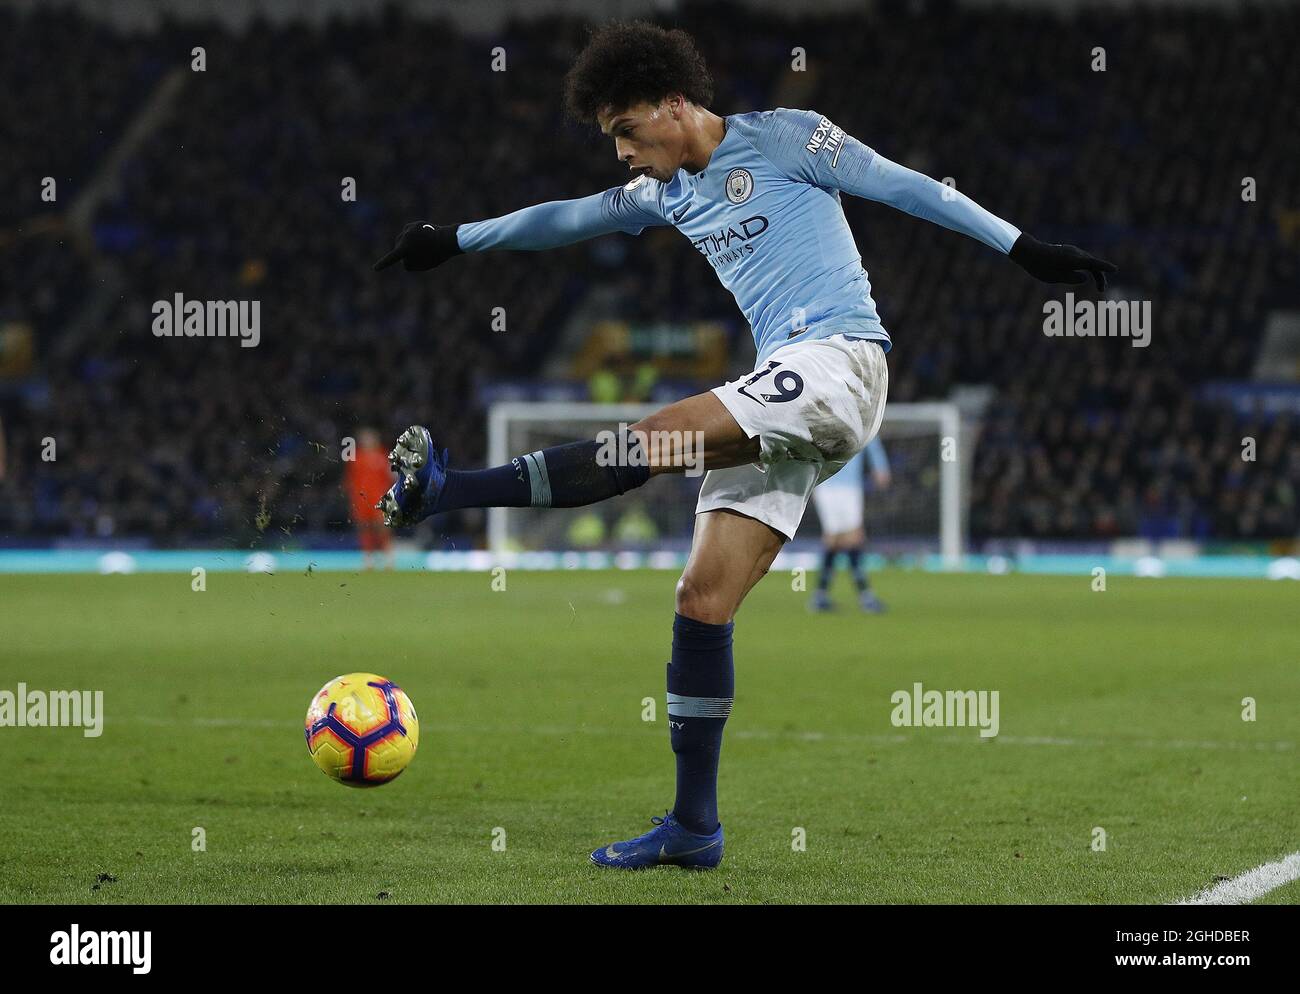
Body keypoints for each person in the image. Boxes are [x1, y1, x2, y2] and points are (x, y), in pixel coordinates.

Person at [371, 21, 1114, 869]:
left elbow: (911, 189)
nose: (620, 153)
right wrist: (456, 239)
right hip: (785, 388)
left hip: (837, 360)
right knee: (701, 599)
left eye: (624, 129)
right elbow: (563, 220)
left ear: (674, 103)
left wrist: (1023, 248)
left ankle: (446, 490)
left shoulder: (790, 139)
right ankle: (695, 829)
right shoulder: (665, 194)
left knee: (651, 440)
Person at [811, 436, 890, 613]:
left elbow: (871, 438)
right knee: (839, 539)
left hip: (850, 487)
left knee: (849, 539)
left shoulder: (860, 413)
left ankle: (821, 596)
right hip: (826, 485)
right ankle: (865, 597)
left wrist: (880, 466)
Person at [343, 429, 396, 570]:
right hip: (361, 500)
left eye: (370, 438)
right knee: (365, 529)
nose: (367, 441)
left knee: (382, 529)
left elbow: (392, 477)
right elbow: (350, 481)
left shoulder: (383, 455)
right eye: (365, 438)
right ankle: (368, 560)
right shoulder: (355, 458)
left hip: (380, 499)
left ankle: (388, 559)